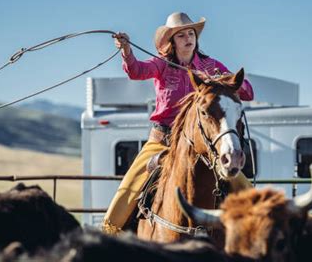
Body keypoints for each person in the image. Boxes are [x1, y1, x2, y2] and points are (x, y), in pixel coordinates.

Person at [102, 12, 255, 234]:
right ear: (172, 41)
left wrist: (222, 81)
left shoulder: (211, 65)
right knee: (122, 200)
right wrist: (126, 51)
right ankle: (110, 239)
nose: (187, 38)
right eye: (181, 35)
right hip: (162, 140)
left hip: (201, 144)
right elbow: (136, 71)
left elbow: (247, 91)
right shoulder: (162, 64)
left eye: (190, 33)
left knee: (246, 191)